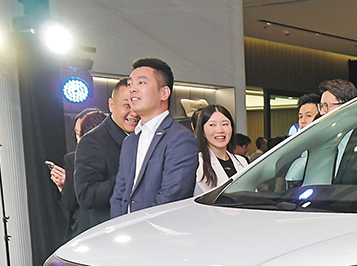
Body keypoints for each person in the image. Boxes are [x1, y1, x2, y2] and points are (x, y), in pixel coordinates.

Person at [110, 57, 198, 218]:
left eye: (141, 83)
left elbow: (172, 197)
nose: (132, 89)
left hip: (158, 230)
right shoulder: (130, 141)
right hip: (127, 229)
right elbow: (119, 195)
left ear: (164, 93)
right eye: (130, 84)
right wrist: (119, 226)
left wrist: (140, 227)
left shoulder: (180, 138)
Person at [71, 79, 140, 234]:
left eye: (137, 104)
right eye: (127, 105)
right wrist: (130, 177)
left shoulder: (145, 136)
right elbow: (86, 196)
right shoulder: (93, 141)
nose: (134, 113)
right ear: (111, 105)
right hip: (110, 233)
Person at [52, 108, 108, 236]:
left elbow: (70, 203)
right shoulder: (120, 151)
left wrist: (63, 186)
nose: (78, 139)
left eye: (80, 133)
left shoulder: (74, 159)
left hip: (85, 228)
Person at [195, 105, 248, 195]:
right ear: (202, 131)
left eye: (225, 124)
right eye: (212, 125)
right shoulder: (197, 164)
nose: (220, 130)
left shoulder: (242, 161)